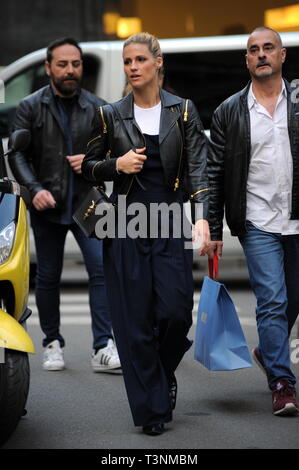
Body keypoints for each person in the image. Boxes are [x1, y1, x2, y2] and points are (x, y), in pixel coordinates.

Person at [82, 32, 210, 435]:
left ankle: (160, 372)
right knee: (134, 322)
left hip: (170, 219)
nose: (132, 67)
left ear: (158, 62)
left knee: (175, 313)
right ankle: (152, 410)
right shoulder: (110, 113)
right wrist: (115, 165)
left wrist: (203, 218)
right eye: (127, 61)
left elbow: (199, 172)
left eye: (140, 59)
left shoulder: (183, 111)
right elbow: (88, 166)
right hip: (124, 223)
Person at [10, 37, 121, 373]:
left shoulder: (99, 107)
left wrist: (91, 162)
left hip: (89, 202)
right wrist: (34, 188)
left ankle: (103, 346)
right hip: (48, 204)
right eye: (62, 64)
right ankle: (52, 343)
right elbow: (16, 153)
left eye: (76, 64)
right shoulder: (30, 107)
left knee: (102, 273)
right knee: (48, 277)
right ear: (48, 68)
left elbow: (114, 155)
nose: (70, 70)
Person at [208, 27, 299, 416]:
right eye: (253, 50)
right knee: (272, 300)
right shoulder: (229, 111)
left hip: (296, 217)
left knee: (292, 298)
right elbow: (214, 174)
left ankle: (269, 349)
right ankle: (282, 382)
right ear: (246, 61)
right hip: (257, 219)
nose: (261, 55)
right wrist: (211, 229)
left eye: (268, 48)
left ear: (282, 56)